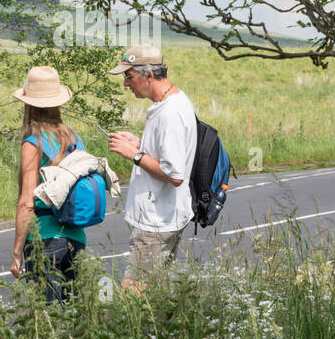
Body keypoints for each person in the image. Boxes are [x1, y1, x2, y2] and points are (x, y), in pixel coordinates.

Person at [106, 45, 197, 292]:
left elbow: (174, 174)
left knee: (132, 293)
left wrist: (133, 154)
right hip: (162, 216)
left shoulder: (170, 113)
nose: (126, 84)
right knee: (162, 290)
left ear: (149, 75)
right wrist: (140, 144)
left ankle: (132, 331)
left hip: (156, 221)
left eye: (129, 76)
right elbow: (168, 154)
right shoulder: (169, 103)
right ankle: (174, 329)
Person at [11, 65, 88, 302]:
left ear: (28, 104)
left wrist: (16, 253)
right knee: (74, 312)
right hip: (76, 238)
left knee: (48, 317)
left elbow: (26, 203)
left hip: (44, 239)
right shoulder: (74, 138)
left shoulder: (33, 143)